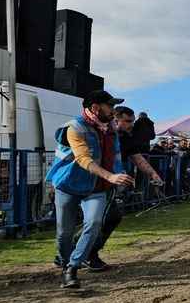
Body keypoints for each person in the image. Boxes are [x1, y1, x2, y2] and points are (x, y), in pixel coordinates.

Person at [46, 90, 135, 289]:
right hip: (68, 185)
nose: (113, 110)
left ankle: (72, 268)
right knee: (64, 233)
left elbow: (116, 157)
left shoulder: (110, 130)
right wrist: (110, 176)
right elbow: (83, 158)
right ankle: (65, 261)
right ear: (95, 107)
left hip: (96, 187)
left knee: (94, 223)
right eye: (110, 106)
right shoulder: (74, 127)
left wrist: (120, 177)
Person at [77, 106, 164, 271]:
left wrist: (153, 174)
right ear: (116, 120)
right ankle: (83, 253)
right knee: (101, 218)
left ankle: (82, 252)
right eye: (128, 121)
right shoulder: (101, 132)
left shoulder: (126, 137)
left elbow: (137, 158)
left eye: (132, 121)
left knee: (108, 217)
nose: (132, 124)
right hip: (92, 181)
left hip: (109, 183)